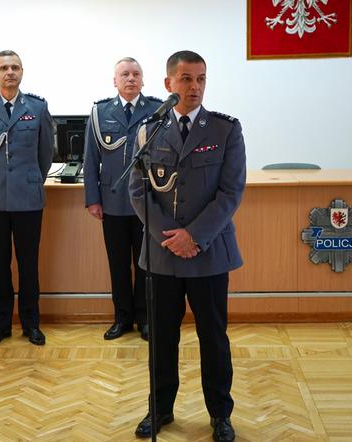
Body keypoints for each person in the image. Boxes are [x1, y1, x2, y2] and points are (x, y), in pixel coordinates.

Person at [128, 50, 246, 441]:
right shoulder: (149, 131)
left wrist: (193, 236)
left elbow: (230, 193)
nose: (194, 87)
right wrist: (171, 237)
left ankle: (220, 415)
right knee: (162, 339)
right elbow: (137, 190)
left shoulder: (225, 130)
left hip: (208, 252)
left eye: (200, 80)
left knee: (213, 337)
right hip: (163, 255)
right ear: (168, 84)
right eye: (186, 79)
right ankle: (159, 409)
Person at [0, 50, 54, 347]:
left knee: (29, 264)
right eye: (3, 68)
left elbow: (45, 153)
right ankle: (0, 325)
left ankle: (31, 324)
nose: (10, 72)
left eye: (15, 67)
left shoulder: (38, 107)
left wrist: (29, 178)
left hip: (28, 197)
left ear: (22, 72)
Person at [83, 57, 162, 341]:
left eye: (136, 74)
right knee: (117, 264)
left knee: (145, 264)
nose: (130, 79)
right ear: (114, 81)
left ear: (143, 80)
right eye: (124, 74)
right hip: (113, 201)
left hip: (147, 203)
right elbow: (90, 159)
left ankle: (145, 318)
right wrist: (93, 198)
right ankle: (122, 318)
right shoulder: (100, 112)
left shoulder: (157, 110)